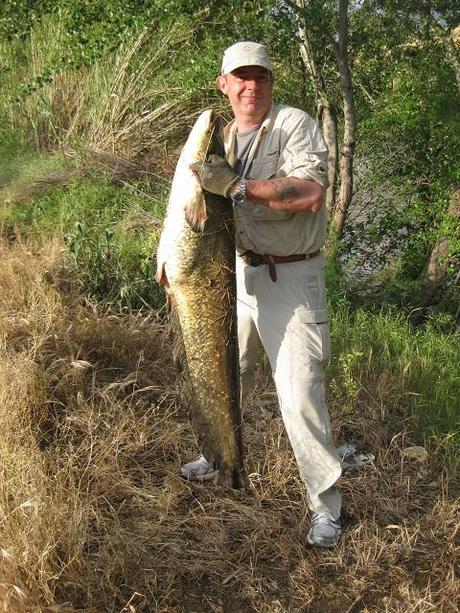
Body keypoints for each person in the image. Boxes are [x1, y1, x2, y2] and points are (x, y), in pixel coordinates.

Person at [184, 41, 342, 548]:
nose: (251, 86)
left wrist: (236, 187)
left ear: (271, 83)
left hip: (292, 280)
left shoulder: (293, 124)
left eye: (261, 77)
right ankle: (217, 454)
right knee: (227, 372)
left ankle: (326, 508)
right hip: (238, 276)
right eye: (241, 77)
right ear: (224, 85)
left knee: (298, 397)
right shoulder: (224, 137)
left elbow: (311, 193)